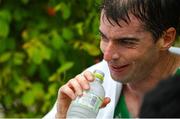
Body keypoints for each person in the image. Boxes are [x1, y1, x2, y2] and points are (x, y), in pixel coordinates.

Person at [44, 0, 180, 118]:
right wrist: (62, 117)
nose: (107, 56)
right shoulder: (89, 83)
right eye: (103, 37)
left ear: (166, 38)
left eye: (126, 42)